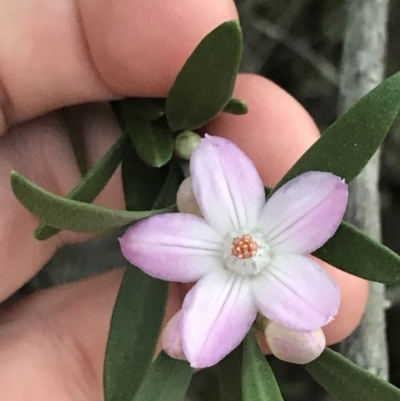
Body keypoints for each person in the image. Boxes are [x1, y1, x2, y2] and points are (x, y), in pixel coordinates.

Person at [0, 0, 368, 397]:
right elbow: (202, 174)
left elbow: (324, 200)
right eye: (244, 248)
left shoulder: (281, 269)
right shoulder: (217, 174)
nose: (245, 248)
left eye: (246, 250)